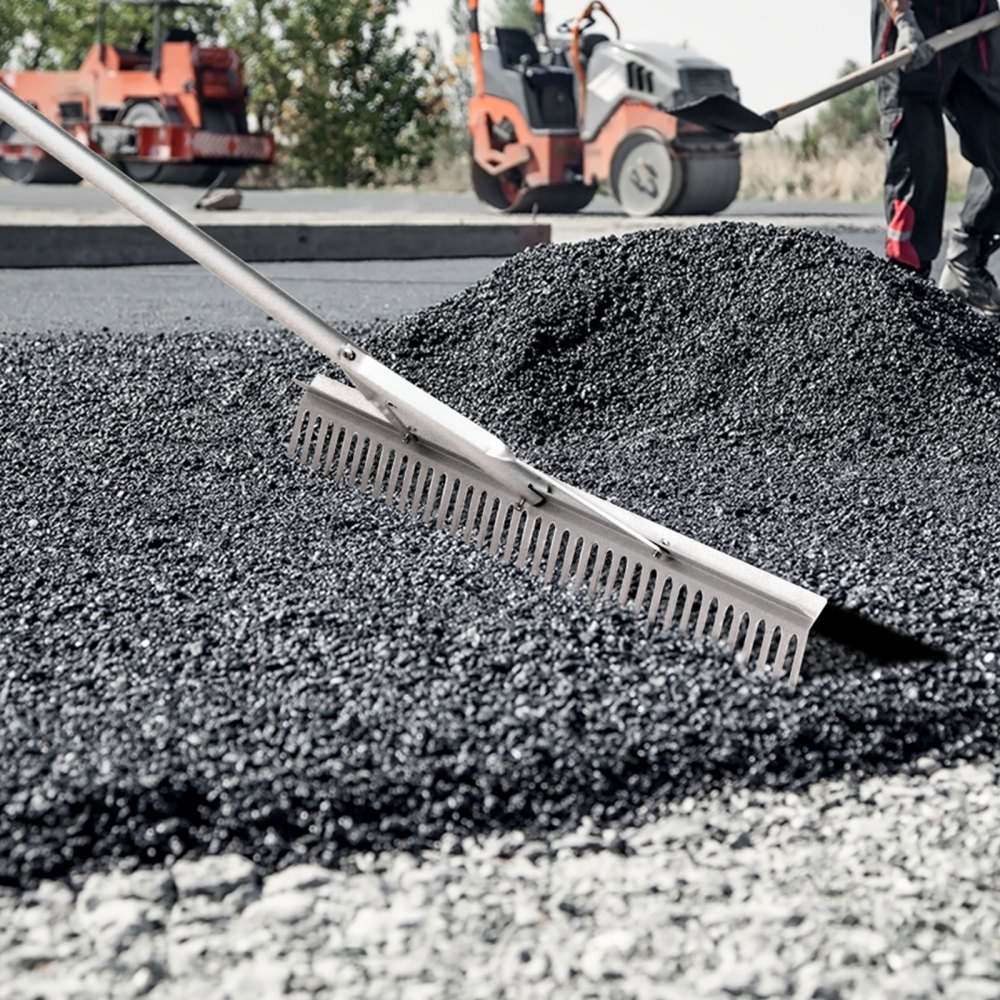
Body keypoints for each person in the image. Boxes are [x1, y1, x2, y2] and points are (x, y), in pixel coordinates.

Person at [875, 0, 1000, 316]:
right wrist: (902, 18)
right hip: (916, 11)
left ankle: (966, 259)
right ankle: (908, 303)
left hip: (977, 12)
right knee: (918, 159)